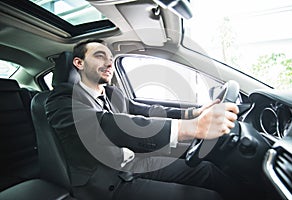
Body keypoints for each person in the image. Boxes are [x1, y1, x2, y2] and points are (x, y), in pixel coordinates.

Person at [46, 38, 240, 200]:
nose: (109, 63)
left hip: (134, 162)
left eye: (111, 58)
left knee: (207, 170)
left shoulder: (113, 93)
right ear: (79, 63)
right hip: (106, 180)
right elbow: (107, 125)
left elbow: (146, 111)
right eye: (99, 56)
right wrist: (190, 127)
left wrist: (193, 114)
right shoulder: (61, 101)